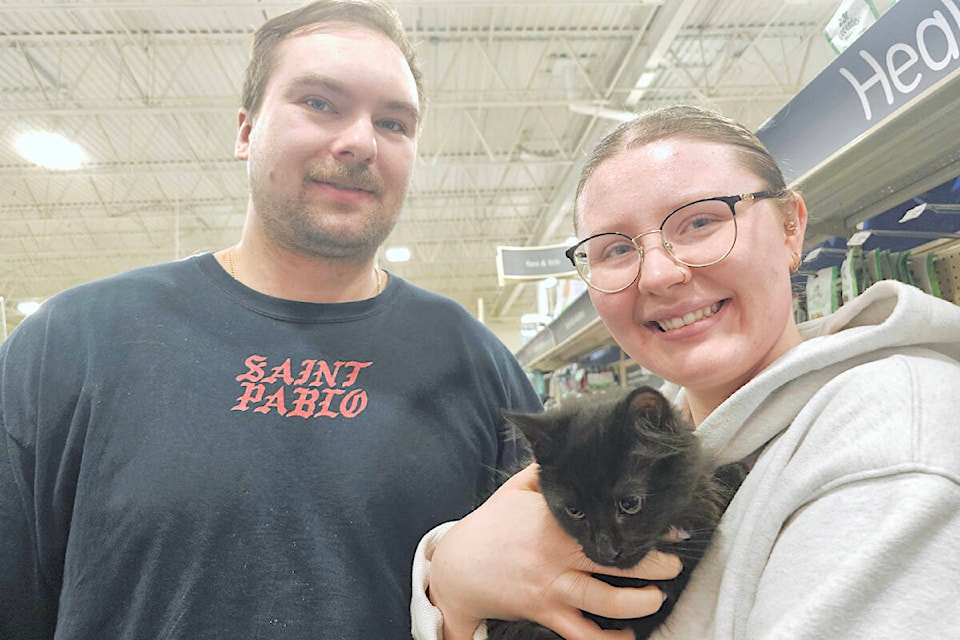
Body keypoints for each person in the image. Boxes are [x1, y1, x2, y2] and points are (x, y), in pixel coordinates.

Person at [0, 2, 543, 638]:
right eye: (319, 103)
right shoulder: (72, 343)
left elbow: (539, 604)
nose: (361, 142)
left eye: (394, 122)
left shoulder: (477, 366)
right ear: (245, 130)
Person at [412, 104, 960, 639]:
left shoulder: (889, 443)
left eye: (700, 221)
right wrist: (454, 591)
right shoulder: (656, 437)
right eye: (615, 249)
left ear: (791, 227)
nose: (659, 273)